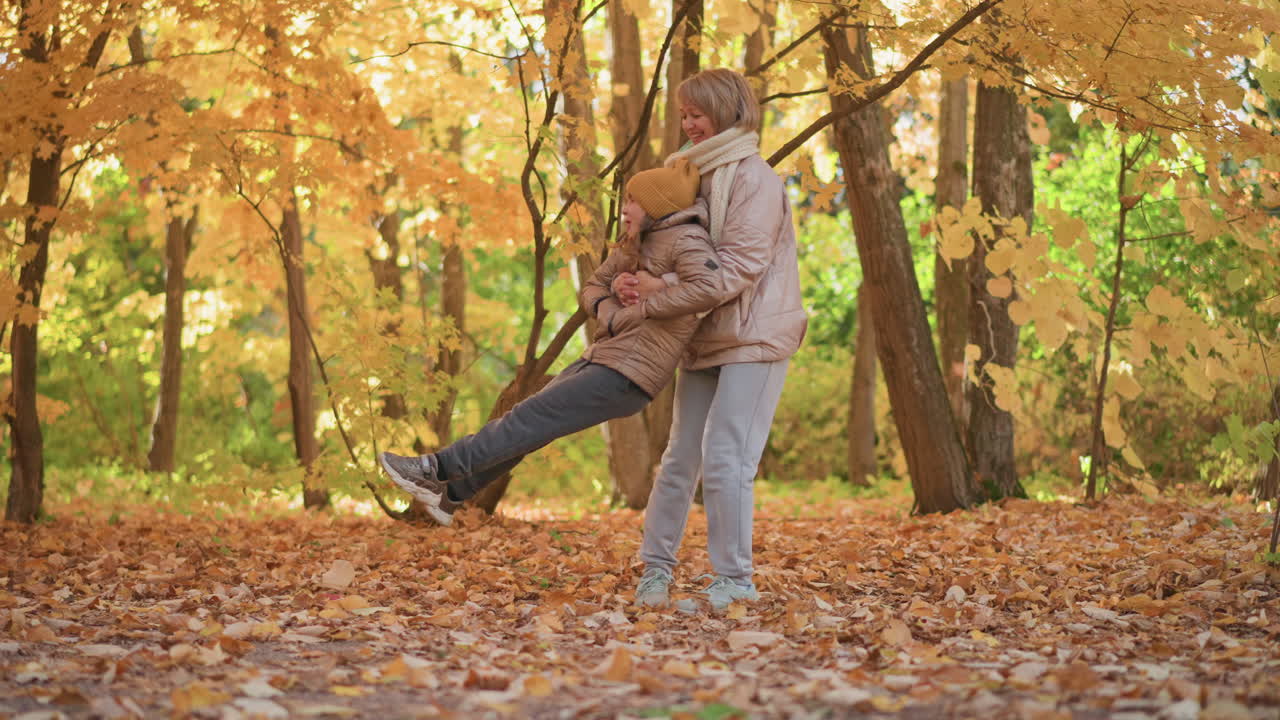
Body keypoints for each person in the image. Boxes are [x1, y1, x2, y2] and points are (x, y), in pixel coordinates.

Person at [379, 159, 724, 527]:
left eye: (633, 201)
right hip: (607, 358)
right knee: (531, 425)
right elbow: (593, 286)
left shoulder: (687, 239)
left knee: (529, 418)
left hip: (631, 373)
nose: (625, 208)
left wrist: (650, 301)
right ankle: (453, 494)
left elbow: (710, 288)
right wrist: (610, 307)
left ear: (658, 206)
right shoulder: (634, 244)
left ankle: (437, 468)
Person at [616, 69, 807, 612]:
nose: (688, 124)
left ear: (726, 111)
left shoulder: (754, 180)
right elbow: (677, 250)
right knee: (679, 457)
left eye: (697, 114)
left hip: (755, 334)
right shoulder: (687, 176)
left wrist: (661, 289)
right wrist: (636, 271)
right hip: (701, 330)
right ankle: (655, 571)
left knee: (726, 456)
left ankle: (734, 580)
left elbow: (741, 267)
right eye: (683, 115)